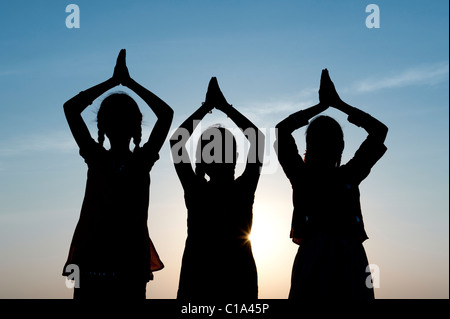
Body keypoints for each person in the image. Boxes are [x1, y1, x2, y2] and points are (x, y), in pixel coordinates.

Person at [62, 49, 173, 300]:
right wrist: (124, 82)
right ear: (137, 127)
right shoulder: (131, 160)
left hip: (109, 263)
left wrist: (117, 81)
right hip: (113, 263)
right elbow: (166, 115)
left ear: (102, 127)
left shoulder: (100, 158)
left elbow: (71, 108)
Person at [274, 69, 388, 299]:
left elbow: (282, 130)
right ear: (341, 147)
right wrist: (339, 104)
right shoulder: (349, 175)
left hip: (314, 258)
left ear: (309, 145)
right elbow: (379, 131)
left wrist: (322, 106)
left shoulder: (302, 177)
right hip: (350, 259)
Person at [170, 77, 265, 300]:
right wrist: (224, 107)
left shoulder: (196, 190)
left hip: (197, 280)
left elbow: (176, 141)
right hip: (240, 281)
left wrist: (206, 107)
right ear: (236, 157)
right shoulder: (243, 189)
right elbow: (258, 140)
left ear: (201, 161)